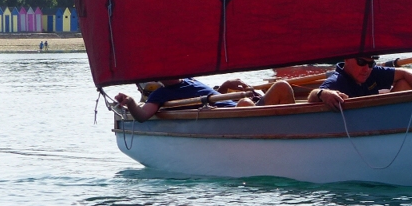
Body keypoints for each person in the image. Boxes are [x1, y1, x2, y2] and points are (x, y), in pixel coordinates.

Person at [114, 77, 294, 122]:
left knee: (282, 86)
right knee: (245, 104)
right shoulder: (160, 94)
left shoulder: (189, 78)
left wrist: (224, 86)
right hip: (234, 117)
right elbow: (143, 116)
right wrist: (130, 102)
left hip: (244, 107)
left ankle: (294, 131)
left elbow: (209, 94)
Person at [308, 55, 412, 110]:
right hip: (358, 131)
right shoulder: (337, 81)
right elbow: (314, 96)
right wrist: (322, 94)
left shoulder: (373, 72)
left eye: (371, 64)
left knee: (406, 83)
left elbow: (407, 73)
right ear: (347, 59)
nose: (366, 69)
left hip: (382, 120)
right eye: (361, 62)